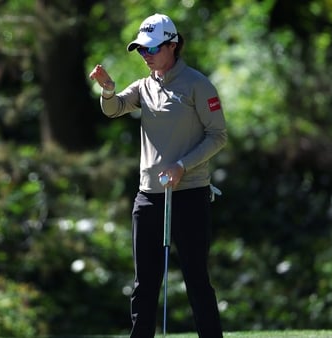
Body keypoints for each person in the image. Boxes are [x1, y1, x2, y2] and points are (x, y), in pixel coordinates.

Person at [89, 13, 227, 338]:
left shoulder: (197, 85)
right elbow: (114, 108)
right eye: (141, 50)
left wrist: (182, 166)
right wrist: (108, 90)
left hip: (190, 194)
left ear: (173, 45)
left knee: (196, 279)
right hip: (149, 197)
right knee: (144, 284)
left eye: (151, 49)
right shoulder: (144, 87)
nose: (146, 55)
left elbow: (217, 135)